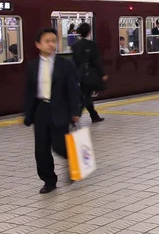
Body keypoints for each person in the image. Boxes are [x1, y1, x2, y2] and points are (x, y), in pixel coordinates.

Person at [23, 28, 81, 194]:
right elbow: (29, 91)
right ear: (38, 44)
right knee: (41, 150)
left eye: (53, 41)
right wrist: (28, 113)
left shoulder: (66, 64)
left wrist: (75, 111)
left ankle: (74, 161)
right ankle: (49, 181)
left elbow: (73, 89)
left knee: (59, 146)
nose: (51, 44)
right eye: (47, 41)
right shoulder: (32, 66)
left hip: (60, 109)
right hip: (40, 110)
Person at [72, 23, 108, 123]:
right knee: (85, 97)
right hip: (88, 75)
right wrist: (102, 74)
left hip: (79, 75)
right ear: (89, 32)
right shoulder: (92, 45)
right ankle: (75, 115)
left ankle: (94, 115)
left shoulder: (75, 46)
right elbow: (96, 61)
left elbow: (74, 61)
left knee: (85, 95)